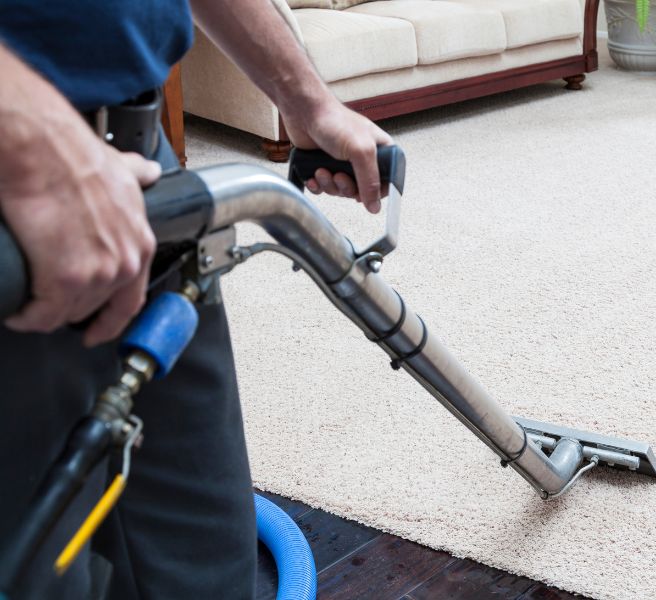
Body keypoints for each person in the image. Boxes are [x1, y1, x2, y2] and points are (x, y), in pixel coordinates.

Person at [0, 1, 392, 598]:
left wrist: (307, 100)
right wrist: (29, 136)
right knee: (44, 569)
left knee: (206, 549)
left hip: (137, 156)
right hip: (24, 190)